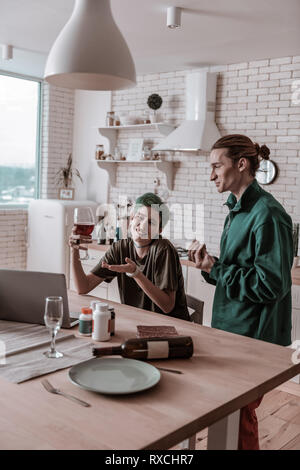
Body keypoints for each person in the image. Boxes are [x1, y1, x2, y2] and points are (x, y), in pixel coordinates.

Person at [188, 134, 294, 450]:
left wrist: (216, 269)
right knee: (231, 417)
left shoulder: (268, 214)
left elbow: (271, 285)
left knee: (239, 417)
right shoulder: (236, 208)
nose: (211, 175)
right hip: (232, 329)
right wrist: (211, 265)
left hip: (253, 336)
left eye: (216, 166)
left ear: (242, 164)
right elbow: (241, 270)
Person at [70, 192, 189, 321]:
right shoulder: (120, 248)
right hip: (138, 321)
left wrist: (136, 273)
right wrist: (74, 249)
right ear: (132, 218)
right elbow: (83, 287)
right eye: (140, 217)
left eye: (151, 222)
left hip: (172, 327)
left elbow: (167, 306)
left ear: (159, 231)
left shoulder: (163, 249)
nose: (143, 225)